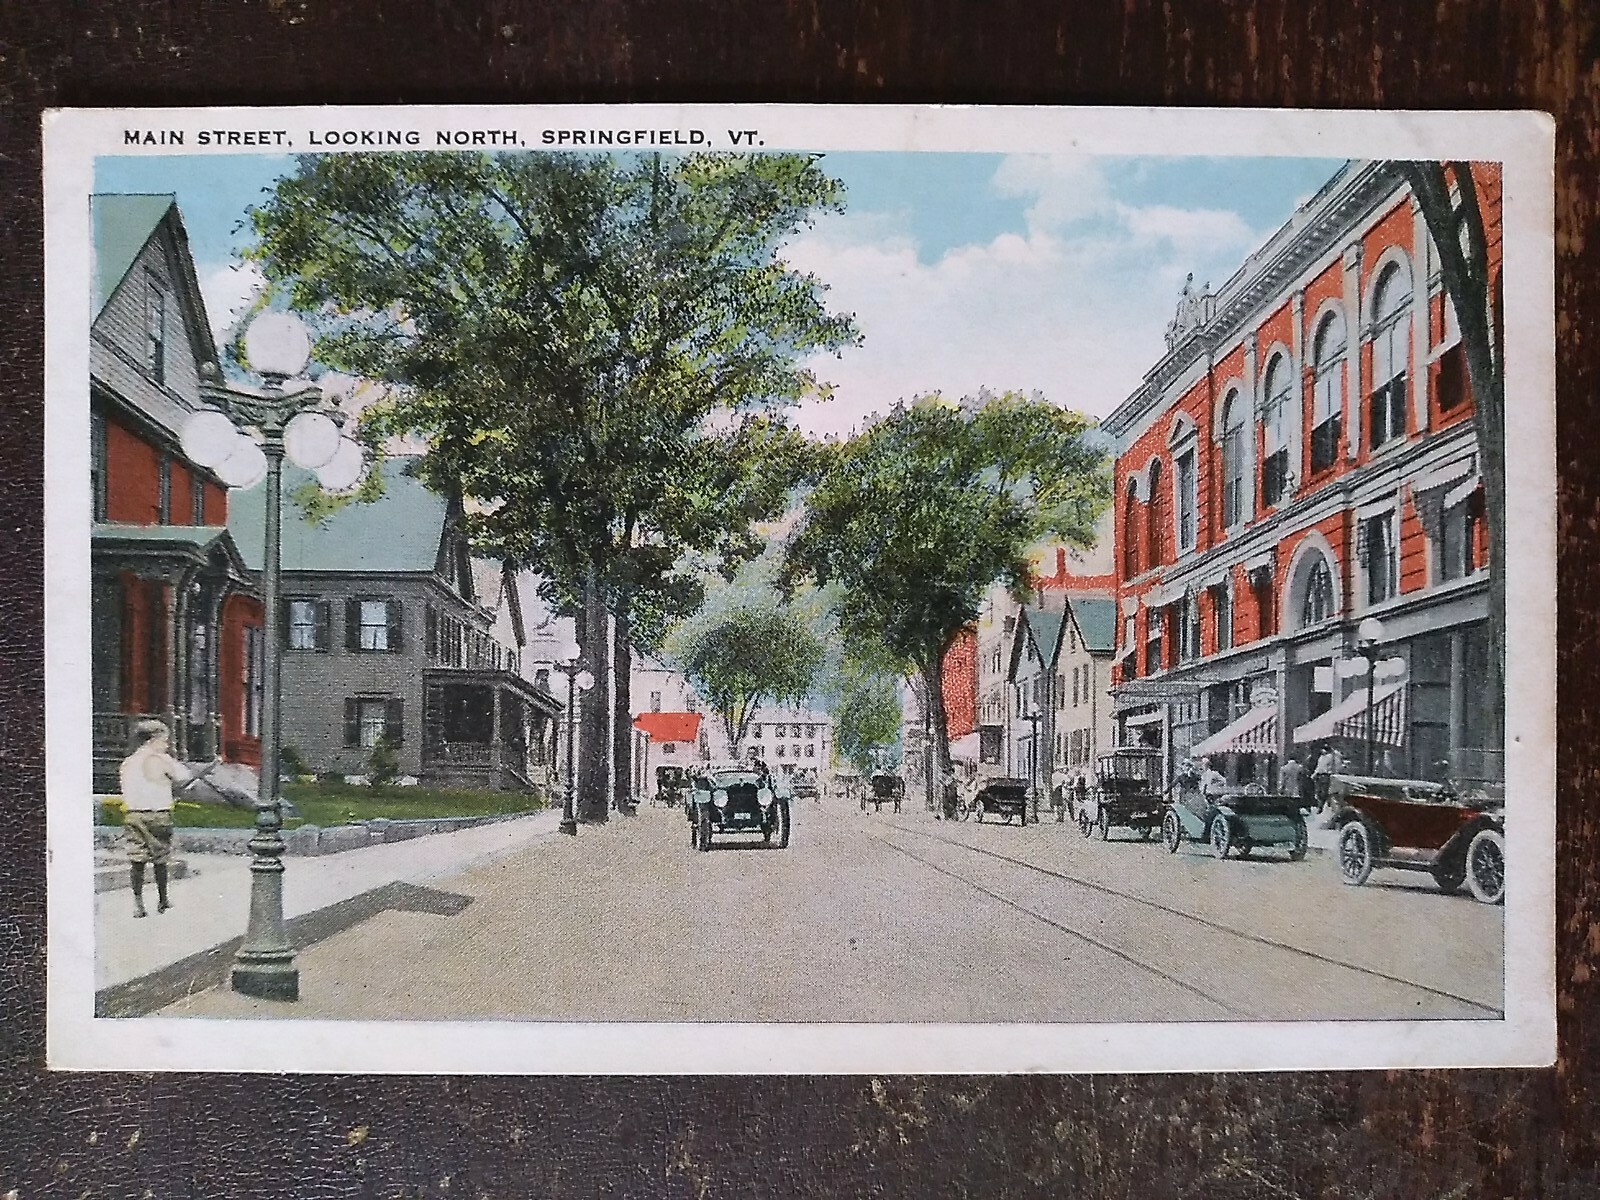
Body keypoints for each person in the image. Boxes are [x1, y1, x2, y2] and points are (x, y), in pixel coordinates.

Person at [118, 720, 217, 918]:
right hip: (158, 815)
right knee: (160, 859)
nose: (167, 745)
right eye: (165, 740)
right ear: (153, 739)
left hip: (133, 815)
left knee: (136, 860)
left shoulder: (127, 762)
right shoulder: (161, 759)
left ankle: (138, 904)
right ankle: (162, 900)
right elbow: (183, 778)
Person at [1312, 744, 1338, 811]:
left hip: (1325, 775)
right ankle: (1320, 806)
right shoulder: (1322, 757)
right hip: (1320, 775)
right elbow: (1319, 767)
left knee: (1323, 792)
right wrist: (1315, 774)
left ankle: (1322, 806)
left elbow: (1322, 767)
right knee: (1319, 792)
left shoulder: (1329, 757)